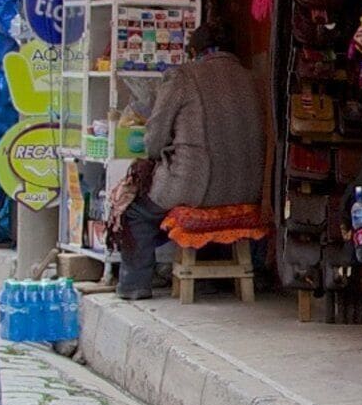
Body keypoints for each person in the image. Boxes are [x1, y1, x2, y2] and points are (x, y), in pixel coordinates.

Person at [108, 24, 266, 296]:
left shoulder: (183, 77)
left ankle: (134, 285)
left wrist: (157, 154)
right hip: (250, 188)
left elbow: (155, 139)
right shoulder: (254, 79)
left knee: (135, 213)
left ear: (194, 51)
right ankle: (213, 279)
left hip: (194, 185)